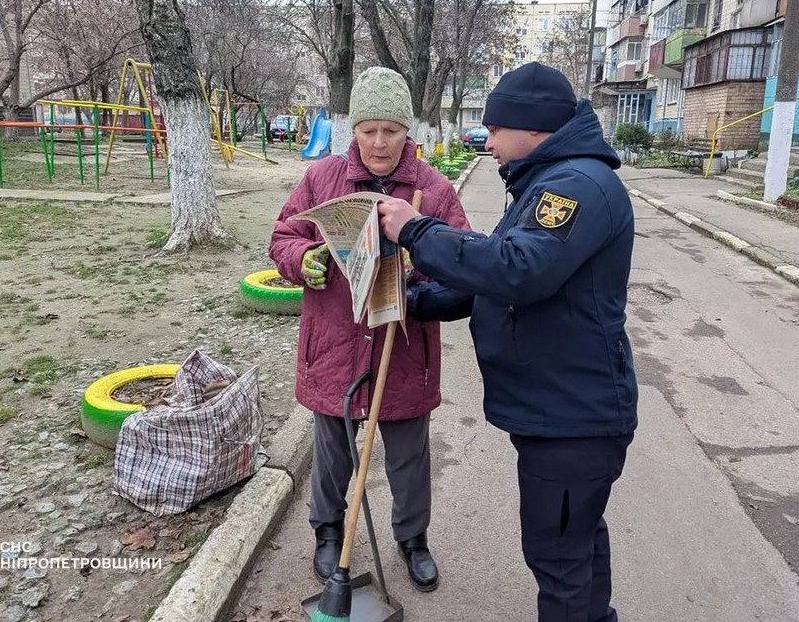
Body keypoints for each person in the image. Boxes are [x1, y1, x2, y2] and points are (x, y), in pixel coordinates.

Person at [376, 61, 638, 621]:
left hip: (572, 417)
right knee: (577, 544)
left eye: (495, 128)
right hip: (561, 411)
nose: (487, 140)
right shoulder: (549, 181)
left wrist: (416, 230)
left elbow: (520, 270)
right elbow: (494, 284)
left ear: (534, 127)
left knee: (559, 556)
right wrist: (413, 303)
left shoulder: (576, 186)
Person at [269, 66, 469, 592]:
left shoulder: (431, 189)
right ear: (353, 130)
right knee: (332, 450)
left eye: (391, 130)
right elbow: (284, 235)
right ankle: (329, 534)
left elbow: (462, 260)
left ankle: (413, 539)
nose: (380, 143)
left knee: (408, 455)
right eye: (368, 130)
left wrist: (417, 271)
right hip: (335, 340)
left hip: (401, 351)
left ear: (409, 132)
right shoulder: (322, 179)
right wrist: (303, 260)